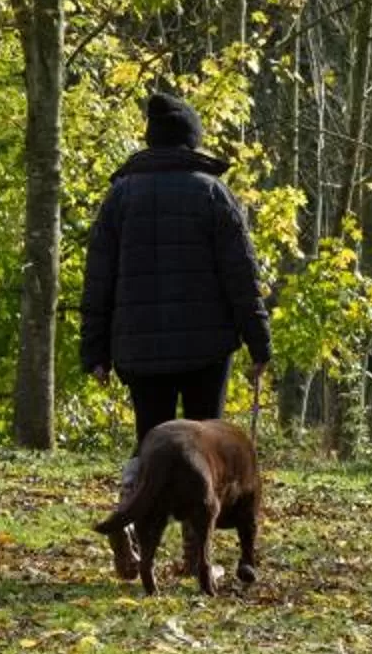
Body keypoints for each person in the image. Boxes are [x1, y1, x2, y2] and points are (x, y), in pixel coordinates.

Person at [81, 93, 272, 469]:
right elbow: (240, 275)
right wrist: (258, 343)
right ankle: (199, 506)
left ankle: (141, 497)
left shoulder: (120, 196)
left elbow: (99, 278)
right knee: (205, 448)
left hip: (139, 347)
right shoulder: (212, 192)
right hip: (207, 345)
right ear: (191, 139)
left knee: (152, 442)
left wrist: (95, 350)